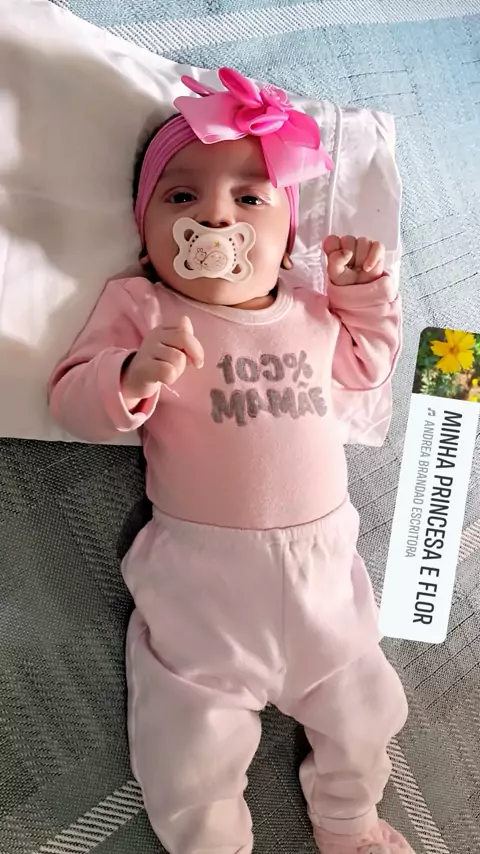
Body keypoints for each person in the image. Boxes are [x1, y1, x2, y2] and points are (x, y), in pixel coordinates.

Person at [49, 67, 412, 854]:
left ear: (287, 237)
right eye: (181, 197)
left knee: (369, 708)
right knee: (186, 746)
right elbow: (71, 399)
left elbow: (365, 368)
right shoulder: (144, 307)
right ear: (144, 230)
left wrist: (363, 295)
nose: (215, 216)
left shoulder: (311, 310)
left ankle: (349, 821)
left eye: (250, 199)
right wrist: (129, 375)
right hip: (204, 585)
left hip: (325, 578)